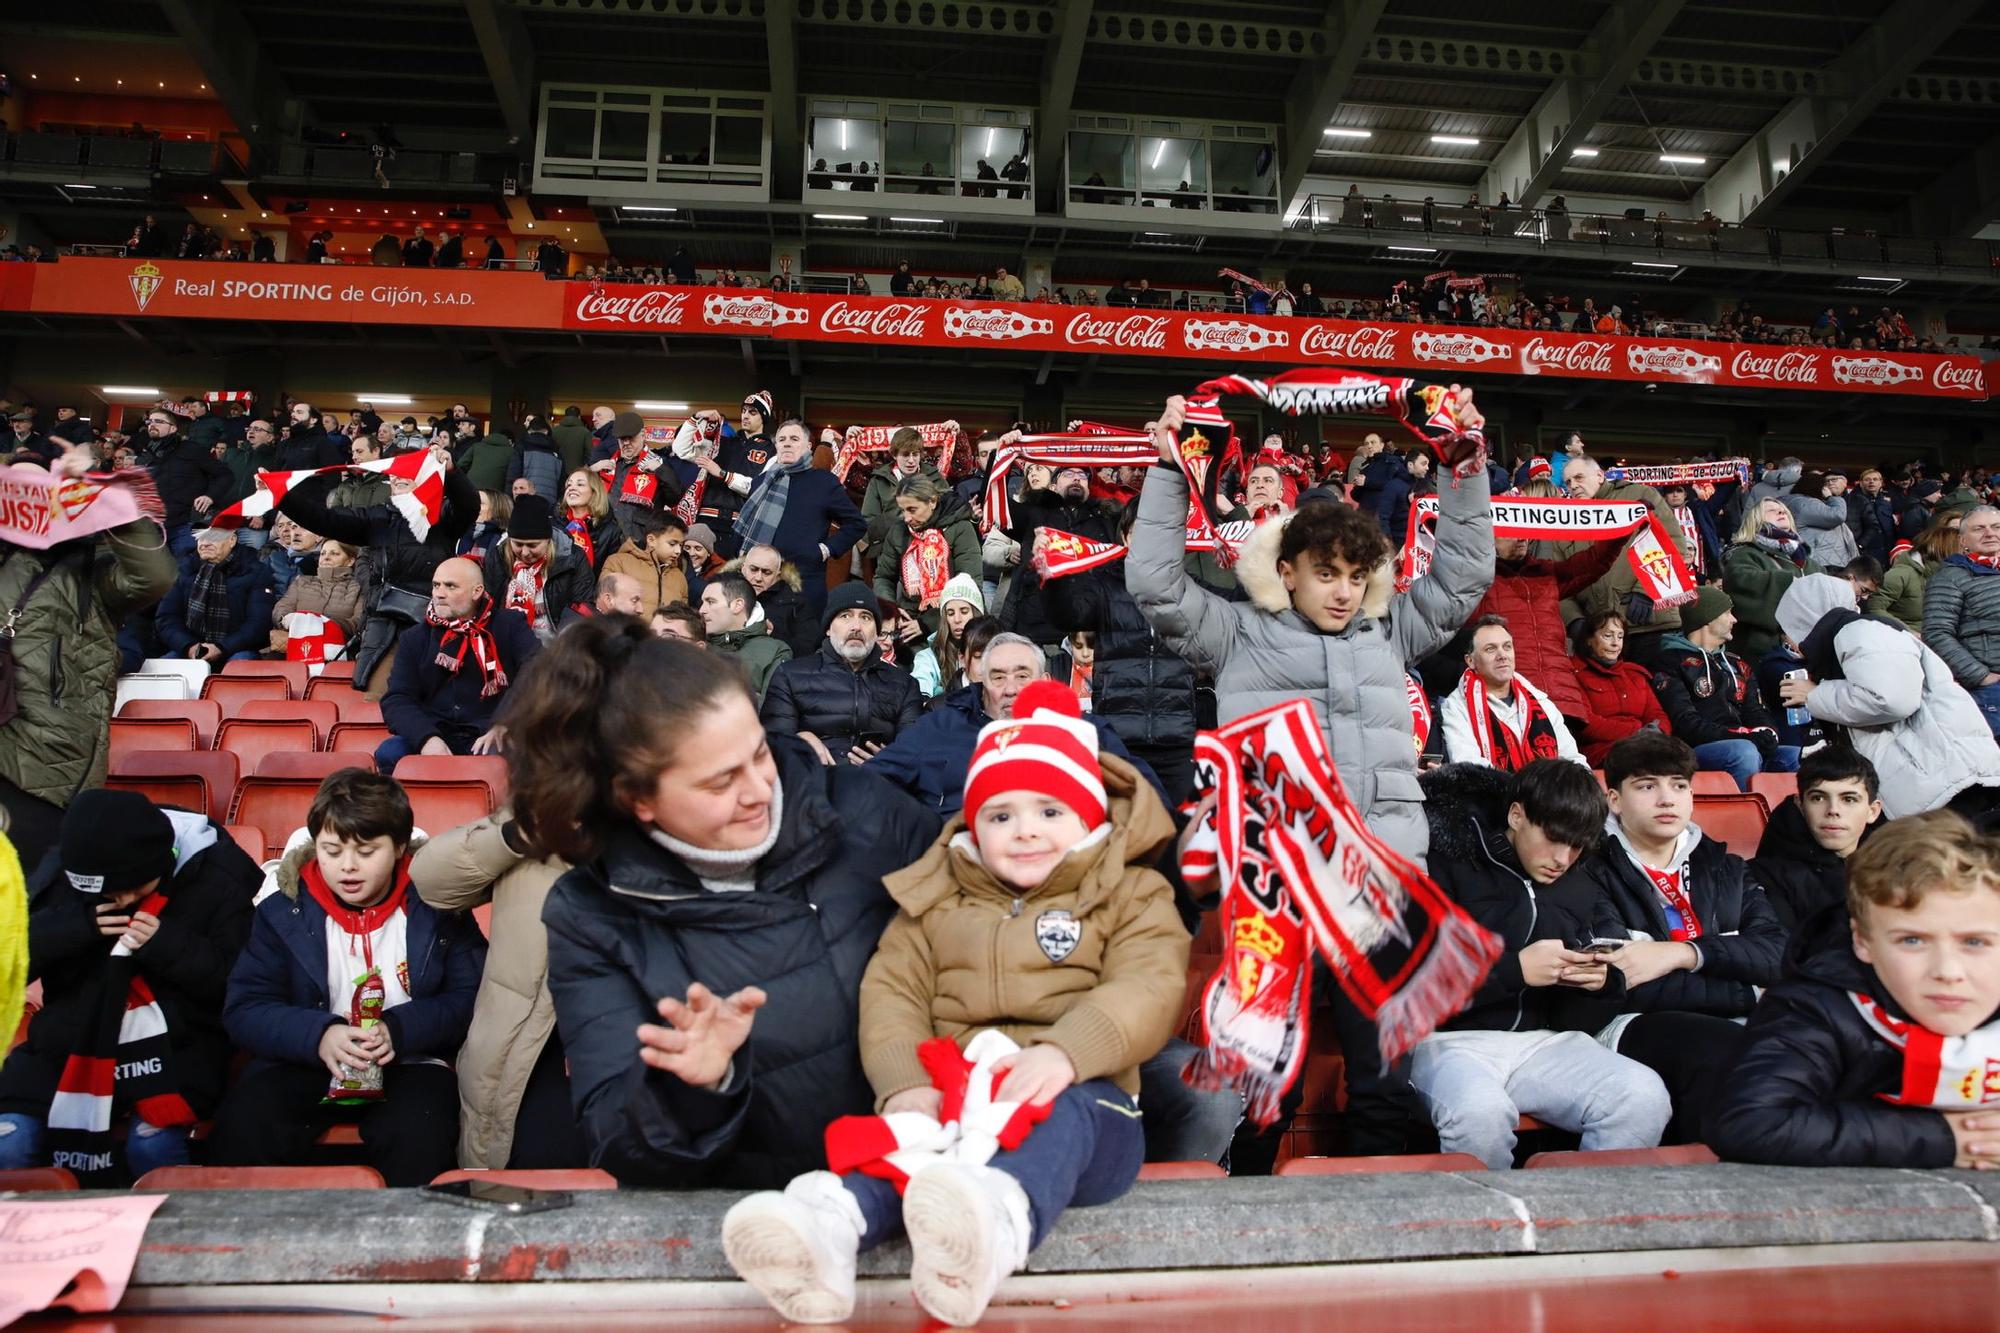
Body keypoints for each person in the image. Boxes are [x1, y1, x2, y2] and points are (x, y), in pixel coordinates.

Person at [722, 681, 1185, 1325]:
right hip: (960, 1098)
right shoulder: (939, 900)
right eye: (1001, 816)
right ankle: (827, 1229)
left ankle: (992, 1224)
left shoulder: (1129, 893)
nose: (1025, 831)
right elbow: (893, 991)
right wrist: (906, 1083)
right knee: (907, 1145)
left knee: (1063, 1116)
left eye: (1050, 812)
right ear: (973, 823)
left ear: (1090, 819)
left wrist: (1067, 1052)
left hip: (1090, 1105)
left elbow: (1150, 982)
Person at [505, 620, 941, 1187]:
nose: (761, 789)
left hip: (931, 1188)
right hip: (763, 1222)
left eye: (759, 753)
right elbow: (619, 1141)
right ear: (636, 799)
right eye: (720, 782)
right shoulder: (593, 913)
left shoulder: (865, 810)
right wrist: (695, 1087)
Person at [1130, 393, 1494, 864]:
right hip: (1280, 887)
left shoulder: (1391, 630)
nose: (1345, 592)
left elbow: (1465, 575)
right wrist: (1170, 471)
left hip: (1388, 881)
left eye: (1357, 576)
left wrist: (1462, 464)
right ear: (1287, 573)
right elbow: (1154, 582)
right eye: (1326, 574)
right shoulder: (1235, 634)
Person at [212, 770, 484, 1187]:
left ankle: (412, 1248)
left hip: (410, 1061)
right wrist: (319, 1034)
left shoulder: (440, 907)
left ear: (398, 847)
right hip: (304, 1058)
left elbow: (471, 996)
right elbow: (246, 1009)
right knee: (246, 1123)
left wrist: (401, 1028)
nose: (347, 867)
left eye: (366, 851)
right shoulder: (281, 911)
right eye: (332, 851)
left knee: (420, 1135)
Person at [1410, 762, 1669, 1170]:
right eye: (1553, 839)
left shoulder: (1582, 883)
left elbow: (1579, 1017)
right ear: (1516, 816)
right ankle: (1493, 1229)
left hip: (1545, 1041)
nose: (1563, 859)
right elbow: (1409, 978)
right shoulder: (1445, 860)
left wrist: (1599, 985)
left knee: (1643, 1095)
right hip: (1444, 1041)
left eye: (1577, 846)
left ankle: (1583, 1222)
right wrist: (1514, 970)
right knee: (1480, 1113)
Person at [1709, 811, 2000, 1168]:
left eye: (1974, 942)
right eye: (1912, 940)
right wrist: (1942, 1136)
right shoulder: (1814, 1007)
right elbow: (1749, 1123)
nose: (1948, 971)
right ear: (1862, 941)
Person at [0, 790, 260, 1183]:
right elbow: (15, 959)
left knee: (150, 1144)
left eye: (132, 889)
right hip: (67, 1045)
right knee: (11, 1141)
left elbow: (237, 986)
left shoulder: (217, 881)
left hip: (179, 1047)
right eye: (107, 894)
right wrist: (75, 928)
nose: (120, 901)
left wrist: (168, 945)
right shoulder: (66, 873)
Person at [1571, 731, 1786, 1141]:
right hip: (1626, 1022)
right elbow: (1619, 983)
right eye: (1647, 786)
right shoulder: (1589, 868)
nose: (1667, 799)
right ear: (1614, 799)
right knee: (1725, 1050)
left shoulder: (1726, 867)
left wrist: (1682, 954)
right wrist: (1747, 988)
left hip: (1726, 1018)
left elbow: (1777, 954)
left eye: (1678, 785)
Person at [0, 445, 176, 864]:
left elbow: (154, 577)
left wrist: (103, 493)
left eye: (41, 486)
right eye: (15, 487)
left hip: (50, 756)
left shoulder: (94, 569)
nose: (28, 496)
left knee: (31, 894)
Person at [410, 810, 586, 1170]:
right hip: (529, 1050)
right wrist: (515, 833)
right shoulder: (536, 817)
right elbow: (431, 881)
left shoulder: (679, 821)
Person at [1777, 574, 2000, 825]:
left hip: (1950, 783)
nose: (1791, 642)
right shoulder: (1846, 640)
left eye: (1790, 628)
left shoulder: (1861, 631)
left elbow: (1892, 699)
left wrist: (1815, 695)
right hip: (1937, 786)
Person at [868, 633, 1167, 818]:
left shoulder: (1084, 729)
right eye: (998, 677)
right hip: (958, 863)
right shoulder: (940, 727)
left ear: (1046, 682)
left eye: (1023, 676)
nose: (1010, 689)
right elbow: (872, 781)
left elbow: (1146, 794)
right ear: (982, 685)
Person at [378, 557, 538, 769]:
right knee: (389, 753)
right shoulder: (414, 637)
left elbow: (538, 668)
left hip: (489, 732)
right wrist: (427, 739)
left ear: (477, 591)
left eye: (450, 586)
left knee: (506, 755)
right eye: (436, 585)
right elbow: (397, 698)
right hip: (435, 731)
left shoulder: (509, 625)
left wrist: (506, 722)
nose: (439, 593)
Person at [1466, 533, 1625, 727]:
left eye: (1524, 532)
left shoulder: (1546, 572)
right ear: (1490, 539)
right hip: (1511, 700)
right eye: (1510, 533)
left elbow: (1595, 561)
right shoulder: (1477, 581)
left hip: (1563, 699)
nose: (1521, 538)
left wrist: (1622, 531)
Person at [1650, 585, 1798, 792]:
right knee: (1743, 752)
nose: (1734, 619)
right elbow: (1686, 724)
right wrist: (1743, 738)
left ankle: (1785, 822)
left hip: (1743, 742)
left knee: (1794, 755)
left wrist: (1767, 734)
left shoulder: (1738, 664)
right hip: (1694, 751)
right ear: (1707, 619)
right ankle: (1743, 821)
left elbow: (1757, 712)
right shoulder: (1670, 662)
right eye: (1727, 613)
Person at [761, 582, 924, 766]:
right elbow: (770, 743)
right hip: (812, 784)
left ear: (877, 632)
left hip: (879, 786)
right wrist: (798, 740)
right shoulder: (790, 675)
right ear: (828, 629)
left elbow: (915, 754)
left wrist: (892, 762)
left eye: (866, 617)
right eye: (845, 616)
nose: (856, 626)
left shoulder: (904, 685)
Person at [1556, 456, 1690, 662]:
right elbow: (1559, 581)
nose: (1573, 485)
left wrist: (1646, 592)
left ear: (1600, 475)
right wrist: (1575, 620)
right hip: (1601, 638)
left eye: (1579, 477)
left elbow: (1673, 546)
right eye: (1568, 482)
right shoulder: (1566, 520)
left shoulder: (1639, 495)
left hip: (1652, 626)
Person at [733, 419, 864, 624]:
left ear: (808, 446)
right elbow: (744, 529)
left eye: (794, 439)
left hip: (804, 585)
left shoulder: (823, 482)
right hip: (761, 585)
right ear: (776, 446)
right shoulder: (761, 482)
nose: (787, 443)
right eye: (782, 439)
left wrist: (825, 550)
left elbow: (857, 524)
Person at [1750, 748, 1884, 935]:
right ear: (1800, 805)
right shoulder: (1765, 875)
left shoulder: (1896, 869)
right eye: (1818, 798)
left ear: (1873, 811)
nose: (1833, 810)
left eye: (1849, 799)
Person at [1439, 615, 1586, 770]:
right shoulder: (1456, 707)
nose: (1502, 655)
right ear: (1470, 661)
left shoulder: (1540, 701)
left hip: (1552, 792)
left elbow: (1573, 759)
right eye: (1490, 649)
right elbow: (1470, 769)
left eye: (1507, 646)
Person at [1922, 505, 2000, 739]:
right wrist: (1980, 676)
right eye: (1979, 528)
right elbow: (1936, 633)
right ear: (1963, 539)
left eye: (1996, 527)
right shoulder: (1951, 576)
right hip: (1991, 689)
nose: (1990, 533)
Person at [873, 475, 983, 637]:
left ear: (932, 502)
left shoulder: (960, 528)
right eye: (902, 510)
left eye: (912, 509)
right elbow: (883, 577)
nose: (907, 518)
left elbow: (970, 584)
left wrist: (927, 624)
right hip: (907, 619)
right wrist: (891, 611)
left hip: (953, 621)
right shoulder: (898, 531)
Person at [154, 526, 278, 665]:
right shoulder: (184, 569)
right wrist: (188, 646)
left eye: (213, 537)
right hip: (190, 648)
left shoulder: (255, 571)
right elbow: (166, 618)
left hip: (237, 649)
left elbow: (258, 623)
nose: (205, 543)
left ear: (232, 540)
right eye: (200, 537)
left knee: (239, 666)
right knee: (164, 667)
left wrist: (222, 648)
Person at [481, 496, 594, 643]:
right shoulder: (498, 556)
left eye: (533, 545)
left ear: (548, 541)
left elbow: (582, 606)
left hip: (556, 645)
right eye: (518, 544)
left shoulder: (573, 557)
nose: (525, 553)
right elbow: (488, 604)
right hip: (506, 642)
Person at [1722, 496, 1819, 662]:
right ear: (1756, 520)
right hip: (1764, 651)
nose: (1781, 511)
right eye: (1771, 511)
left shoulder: (1807, 560)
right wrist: (1791, 582)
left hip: (1810, 648)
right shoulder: (1745, 553)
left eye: (1783, 511)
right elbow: (1741, 584)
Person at [1569, 610, 1668, 768]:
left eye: (1620, 636)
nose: (1615, 643)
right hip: (1601, 751)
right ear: (1589, 640)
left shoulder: (1634, 674)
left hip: (1647, 744)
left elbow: (1656, 713)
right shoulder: (1573, 673)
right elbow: (1587, 724)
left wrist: (1658, 732)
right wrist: (1638, 733)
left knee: (1682, 756)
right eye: (1607, 636)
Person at [137, 406, 232, 559]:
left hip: (184, 525)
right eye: (150, 421)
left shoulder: (192, 450)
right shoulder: (145, 457)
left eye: (159, 421)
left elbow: (225, 475)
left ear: (173, 428)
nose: (152, 424)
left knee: (183, 570)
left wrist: (210, 496)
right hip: (152, 527)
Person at [700, 570, 792, 701]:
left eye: (710, 602)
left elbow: (773, 709)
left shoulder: (775, 650)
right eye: (702, 602)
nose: (701, 610)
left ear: (737, 605)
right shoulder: (695, 643)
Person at [859, 428, 946, 559]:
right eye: (905, 455)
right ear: (894, 455)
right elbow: (869, 520)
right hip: (889, 546)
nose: (911, 460)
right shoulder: (878, 481)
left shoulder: (934, 477)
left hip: (930, 545)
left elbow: (949, 510)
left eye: (915, 454)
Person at [268, 538, 363, 656]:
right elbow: (281, 608)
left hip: (337, 650)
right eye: (323, 553)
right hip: (293, 645)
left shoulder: (359, 588)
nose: (326, 557)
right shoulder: (302, 582)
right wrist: (287, 619)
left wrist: (321, 624)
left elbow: (358, 623)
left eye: (334, 553)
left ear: (350, 561)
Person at [1867, 513, 1958, 633]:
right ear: (1944, 550)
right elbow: (1874, 607)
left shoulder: (1949, 576)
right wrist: (1908, 632)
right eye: (1962, 549)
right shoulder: (1902, 574)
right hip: (1904, 639)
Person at [600, 505, 688, 617]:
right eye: (672, 544)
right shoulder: (618, 563)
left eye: (681, 545)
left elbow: (682, 619)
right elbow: (604, 606)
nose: (678, 551)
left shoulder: (680, 578)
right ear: (651, 540)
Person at [738, 543, 817, 658]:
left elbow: (807, 648)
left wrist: (773, 636)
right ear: (743, 568)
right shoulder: (724, 592)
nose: (758, 578)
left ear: (778, 574)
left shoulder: (797, 604)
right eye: (754, 570)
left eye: (767, 572)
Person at [912, 575, 985, 699]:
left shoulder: (995, 652)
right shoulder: (927, 657)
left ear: (976, 613)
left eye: (964, 611)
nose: (957, 619)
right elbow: (918, 693)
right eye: (950, 613)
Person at [1783, 471, 1859, 570]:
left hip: (1820, 559)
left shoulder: (1797, 502)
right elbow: (1838, 515)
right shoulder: (1805, 504)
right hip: (1823, 562)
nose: (1828, 487)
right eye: (1825, 485)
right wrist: (1830, 497)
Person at [556, 469, 623, 574]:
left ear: (594, 492)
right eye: (569, 485)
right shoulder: (554, 524)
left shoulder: (611, 531)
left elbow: (610, 574)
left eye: (580, 484)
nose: (571, 488)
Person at [505, 418, 567, 507]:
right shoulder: (557, 451)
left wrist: (509, 501)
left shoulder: (522, 448)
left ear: (529, 431)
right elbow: (561, 483)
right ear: (546, 431)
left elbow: (513, 475)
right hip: (550, 503)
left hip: (525, 501)